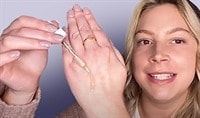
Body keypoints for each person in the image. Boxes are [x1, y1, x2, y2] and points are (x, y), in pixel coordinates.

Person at [0, 0, 199, 118]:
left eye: (177, 40)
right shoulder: (83, 111)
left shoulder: (98, 106)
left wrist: (107, 110)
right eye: (145, 41)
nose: (158, 55)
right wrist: (18, 97)